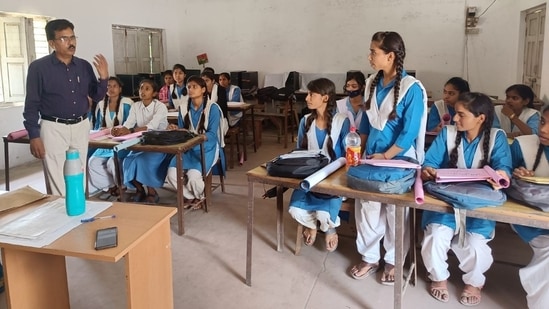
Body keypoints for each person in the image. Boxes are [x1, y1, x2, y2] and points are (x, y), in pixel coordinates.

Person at [350, 31, 427, 285]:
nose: (369, 56)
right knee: (368, 208)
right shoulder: (372, 82)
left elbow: (408, 133)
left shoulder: (411, 89)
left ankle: (394, 261)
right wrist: (358, 152)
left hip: (398, 160)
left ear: (390, 56)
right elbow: (366, 124)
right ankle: (370, 257)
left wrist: (385, 156)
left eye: (374, 51)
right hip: (371, 157)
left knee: (395, 212)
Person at [420, 92, 512, 306]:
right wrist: (428, 171)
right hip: (447, 198)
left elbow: (503, 167)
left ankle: (474, 281)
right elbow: (429, 162)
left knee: (475, 244)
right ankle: (439, 277)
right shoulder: (448, 134)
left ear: (480, 118)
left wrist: (502, 177)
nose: (454, 119)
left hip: (479, 201)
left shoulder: (497, 137)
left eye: (461, 114)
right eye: (455, 114)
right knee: (434, 236)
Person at [23, 19, 108, 196]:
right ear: (52, 43)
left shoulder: (83, 66)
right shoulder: (39, 68)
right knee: (58, 178)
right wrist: (34, 135)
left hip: (80, 125)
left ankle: (79, 212)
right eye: (64, 38)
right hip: (53, 127)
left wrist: (104, 78)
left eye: (73, 37)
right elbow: (31, 105)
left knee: (79, 173)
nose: (71, 42)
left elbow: (96, 95)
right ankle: (62, 218)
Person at [288, 78, 350, 252]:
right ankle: (313, 226)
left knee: (324, 214)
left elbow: (348, 155)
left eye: (311, 94)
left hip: (333, 179)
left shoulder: (341, 121)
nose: (307, 98)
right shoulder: (306, 121)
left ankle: (329, 228)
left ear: (325, 98)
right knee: (295, 210)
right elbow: (299, 151)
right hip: (308, 177)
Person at [510, 104, 549, 309]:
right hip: (533, 222)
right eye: (543, 122)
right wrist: (521, 179)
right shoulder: (523, 145)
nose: (543, 129)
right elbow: (503, 181)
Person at [165, 76, 225, 207]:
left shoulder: (212, 108)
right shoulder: (183, 108)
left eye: (194, 87)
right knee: (170, 174)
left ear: (203, 89)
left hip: (207, 148)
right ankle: (192, 197)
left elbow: (212, 134)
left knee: (193, 176)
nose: (191, 89)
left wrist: (197, 137)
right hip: (188, 147)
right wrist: (176, 129)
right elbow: (183, 131)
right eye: (189, 87)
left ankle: (197, 196)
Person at [116, 79, 169, 203]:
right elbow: (128, 123)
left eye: (147, 89)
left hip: (159, 143)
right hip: (141, 143)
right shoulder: (136, 106)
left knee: (142, 161)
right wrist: (121, 130)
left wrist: (130, 130)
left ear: (154, 93)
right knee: (127, 160)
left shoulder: (160, 106)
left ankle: (152, 192)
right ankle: (139, 189)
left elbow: (152, 125)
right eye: (141, 88)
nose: (142, 91)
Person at [88, 76, 133, 199]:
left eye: (114, 86)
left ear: (120, 88)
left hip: (123, 143)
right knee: (93, 163)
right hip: (106, 143)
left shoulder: (127, 103)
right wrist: (101, 131)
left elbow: (131, 125)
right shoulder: (101, 104)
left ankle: (122, 186)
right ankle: (110, 185)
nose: (111, 89)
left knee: (112, 163)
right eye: (108, 86)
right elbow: (97, 126)